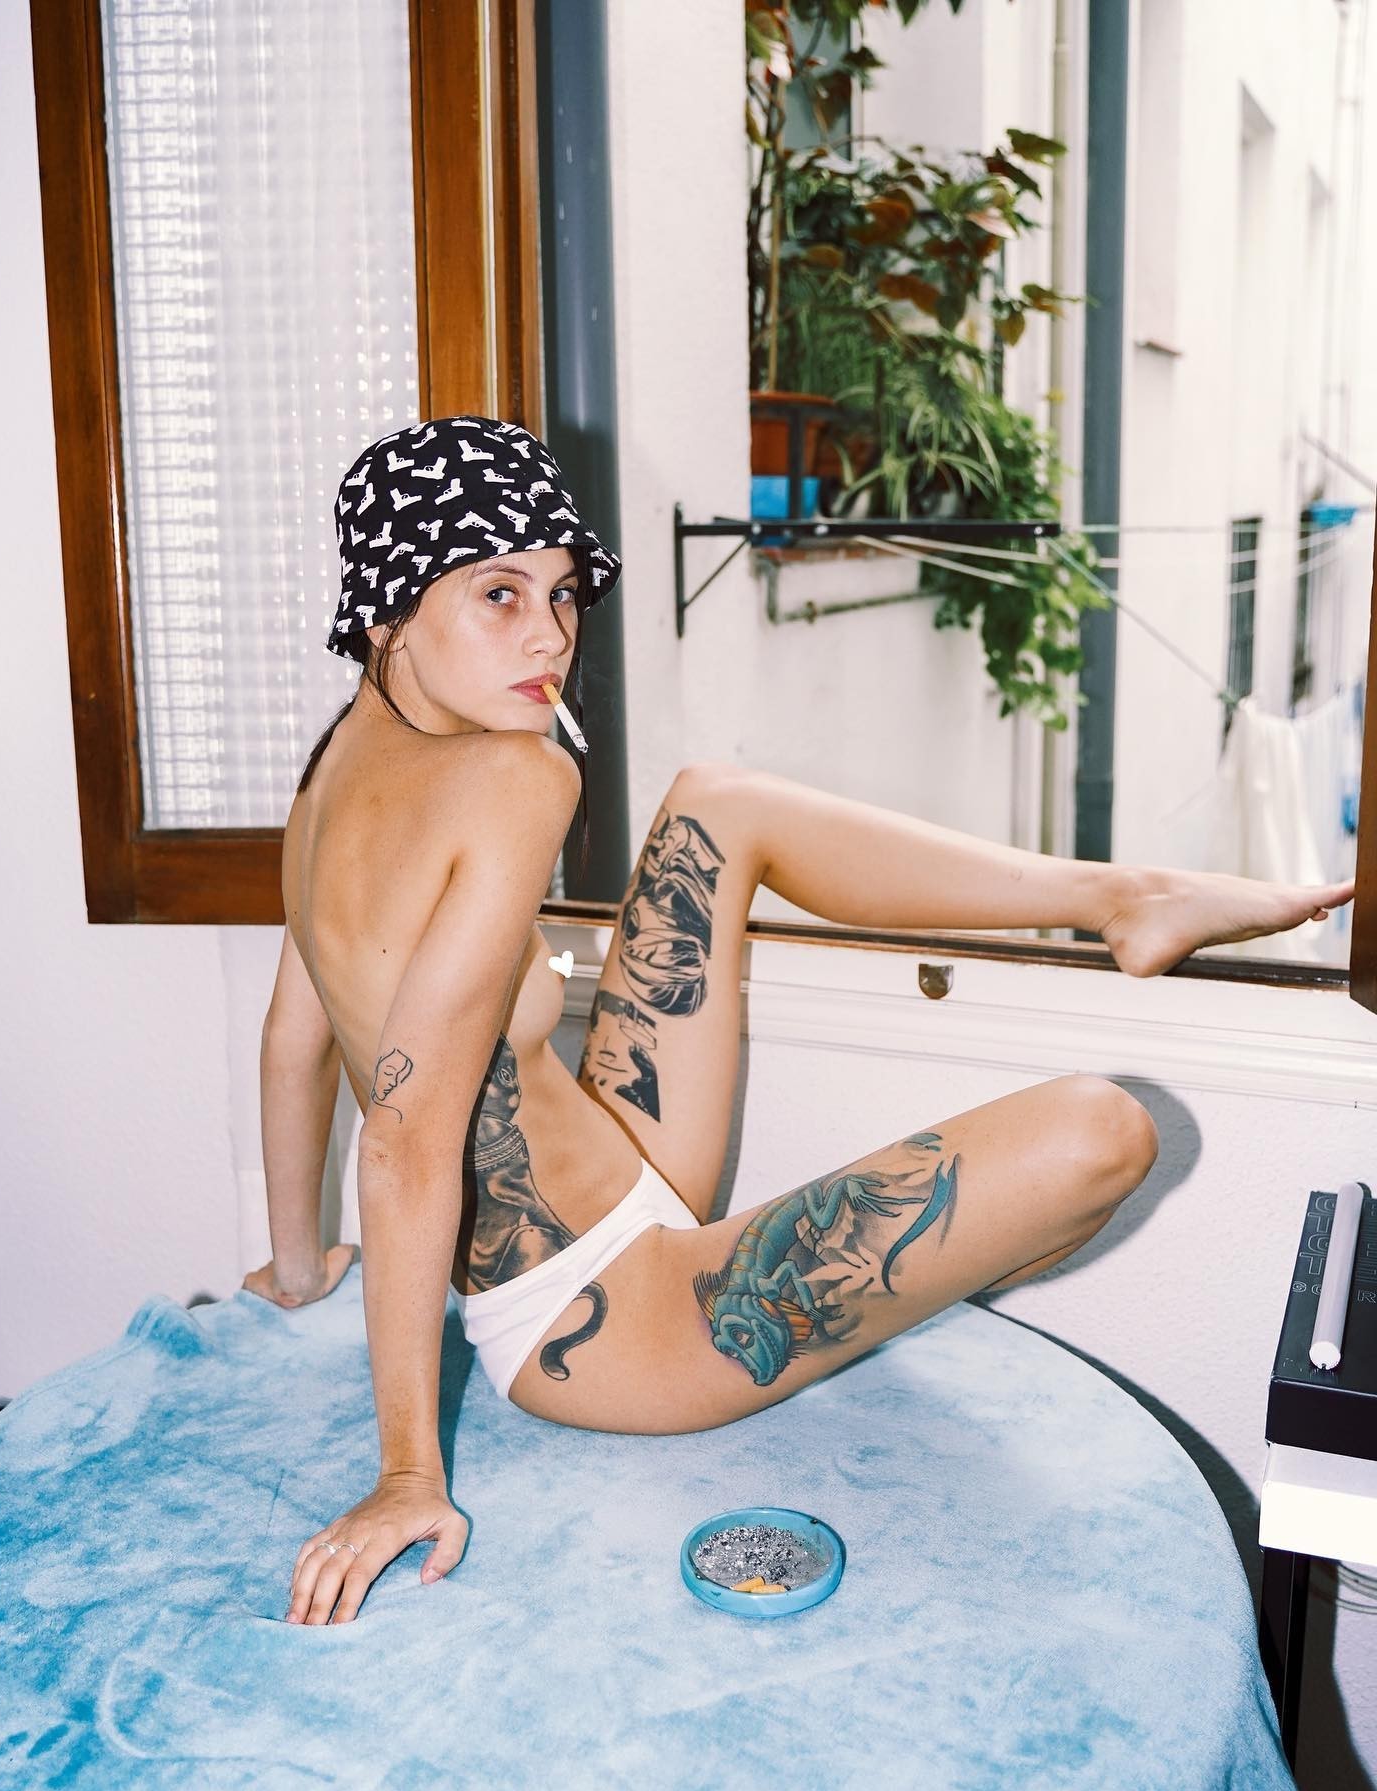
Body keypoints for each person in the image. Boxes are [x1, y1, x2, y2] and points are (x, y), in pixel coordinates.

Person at [243, 415, 1355, 1629]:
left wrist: (297, 1269)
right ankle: (884, 1285)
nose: (551, 636)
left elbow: (297, 1042)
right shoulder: (516, 776)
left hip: (622, 1167)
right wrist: (408, 1472)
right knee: (1105, 1131)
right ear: (389, 611)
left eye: (562, 593)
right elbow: (403, 1139)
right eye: (499, 594)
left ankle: (1119, 896)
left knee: (715, 803)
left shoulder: (327, 780)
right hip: (592, 1319)